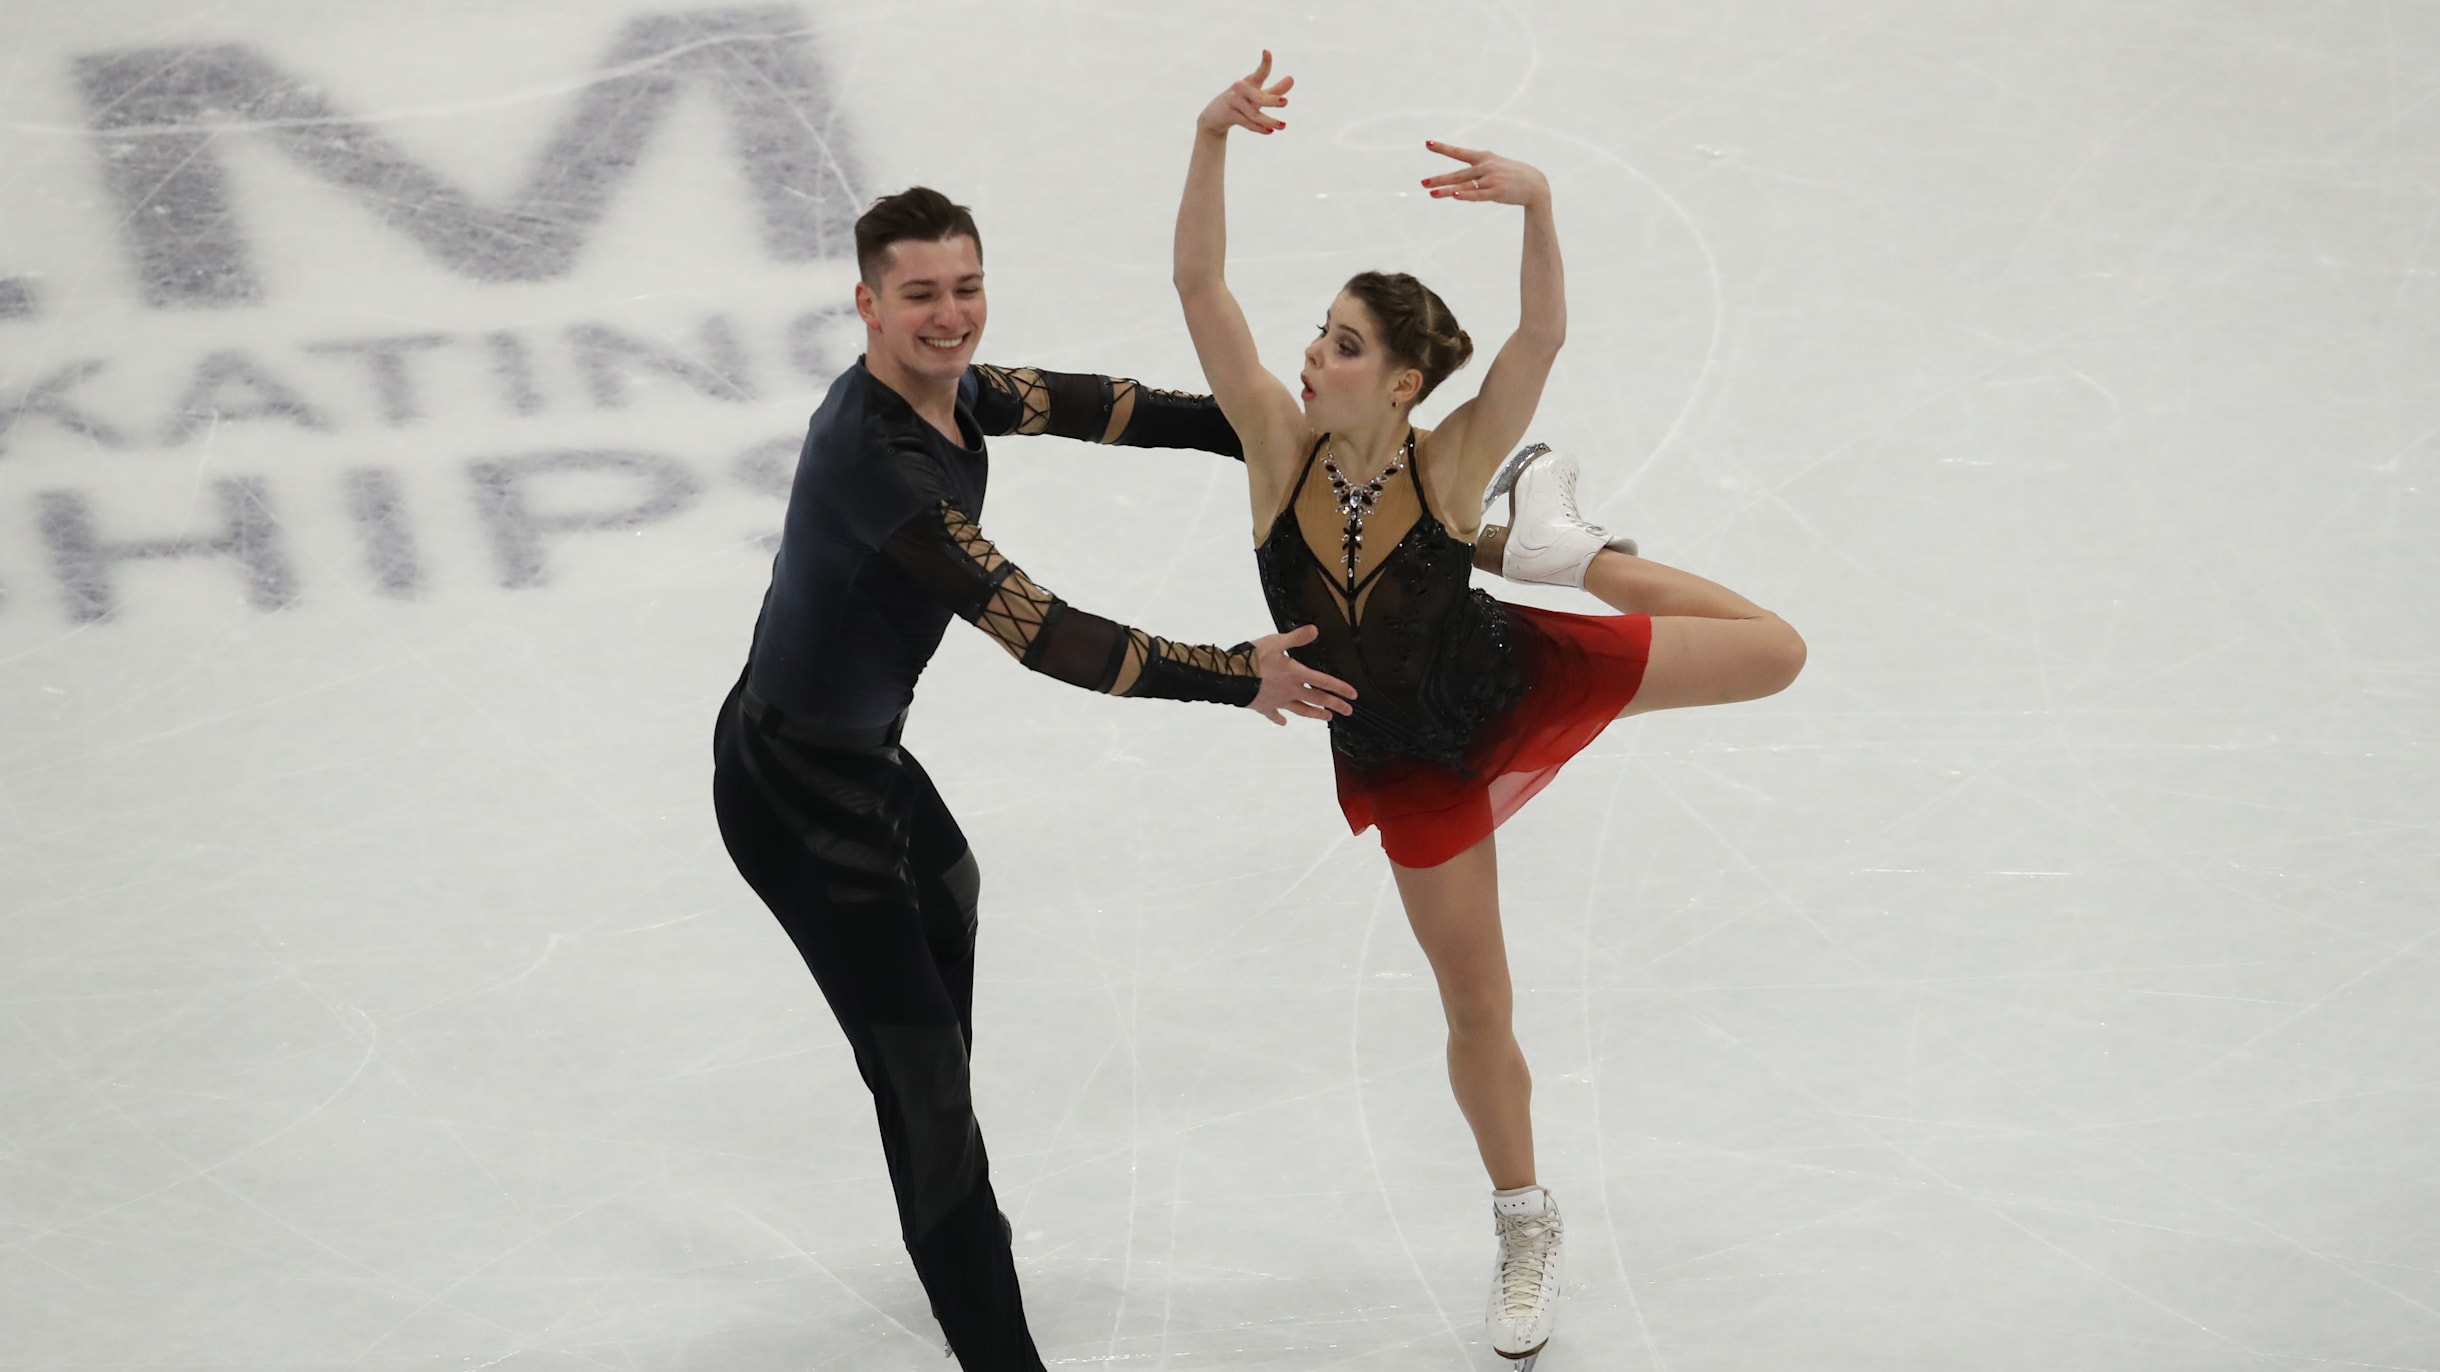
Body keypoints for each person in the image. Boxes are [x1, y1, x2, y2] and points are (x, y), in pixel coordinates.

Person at [1171, 54, 1808, 1365]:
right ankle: (1526, 1219)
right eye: (1321, 333)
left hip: (1512, 666)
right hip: (1414, 759)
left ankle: (1559, 552)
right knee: (1479, 1010)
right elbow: (1199, 290)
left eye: (1342, 345)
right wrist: (1209, 138)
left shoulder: (1454, 461)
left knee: (1777, 651)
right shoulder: (1273, 452)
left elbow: (1539, 343)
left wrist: (1539, 207)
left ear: (1402, 383)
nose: (1310, 354)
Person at [712, 185, 1356, 1371]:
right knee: (931, 1106)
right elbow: (1047, 633)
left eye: (966, 287)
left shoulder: (957, 393)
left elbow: (1113, 408)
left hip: (857, 762)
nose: (951, 316)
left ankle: (922, 1129)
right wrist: (1237, 673)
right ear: (865, 302)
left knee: (949, 894)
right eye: (920, 295)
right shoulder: (881, 463)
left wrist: (1269, 433)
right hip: (795, 799)